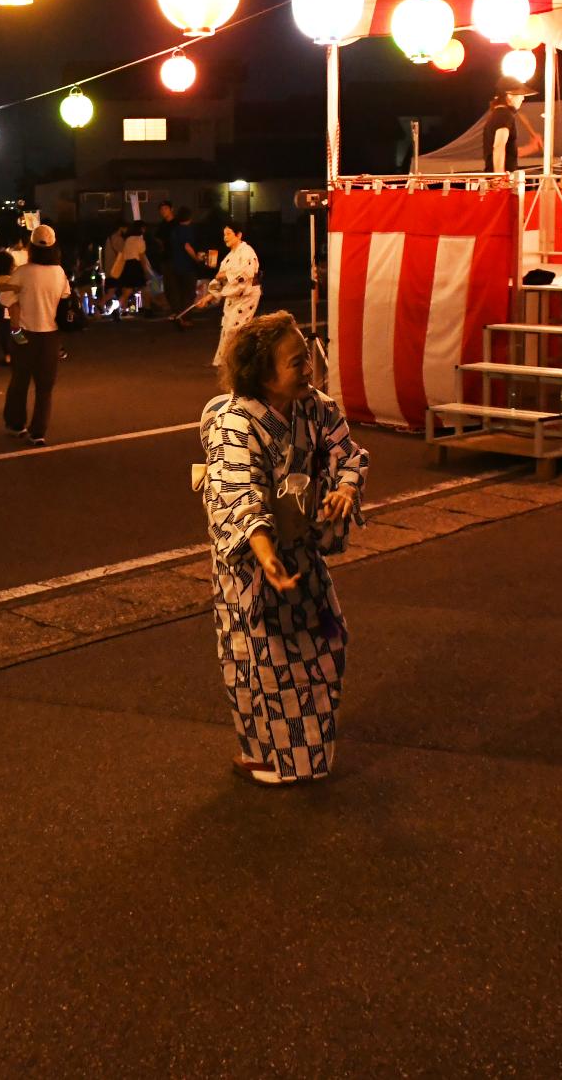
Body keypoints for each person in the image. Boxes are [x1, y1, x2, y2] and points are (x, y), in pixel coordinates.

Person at [198, 310, 369, 786]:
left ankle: (293, 756)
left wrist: (345, 490)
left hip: (301, 553)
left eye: (306, 358)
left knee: (324, 647)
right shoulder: (234, 422)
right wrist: (266, 553)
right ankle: (277, 761)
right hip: (253, 566)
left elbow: (348, 455)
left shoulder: (316, 407)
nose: (307, 370)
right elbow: (237, 490)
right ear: (263, 372)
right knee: (263, 662)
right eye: (296, 363)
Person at [3, 224, 71, 446]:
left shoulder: (23, 272)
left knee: (19, 381)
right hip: (50, 336)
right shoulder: (59, 272)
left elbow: (6, 299)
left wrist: (14, 329)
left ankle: (16, 424)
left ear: (31, 246)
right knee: (45, 387)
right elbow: (65, 297)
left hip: (24, 333)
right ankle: (38, 431)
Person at [195, 220, 263, 364]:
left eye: (228, 234)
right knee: (227, 327)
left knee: (235, 328)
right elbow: (221, 282)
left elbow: (246, 273)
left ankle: (238, 362)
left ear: (239, 235)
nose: (225, 237)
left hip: (247, 295)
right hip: (233, 297)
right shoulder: (228, 258)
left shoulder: (247, 251)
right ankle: (228, 362)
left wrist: (226, 275)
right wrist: (207, 298)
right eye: (224, 234)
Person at [479, 78, 542, 173]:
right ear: (509, 95)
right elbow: (499, 147)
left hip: (495, 177)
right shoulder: (504, 115)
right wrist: (499, 178)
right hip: (499, 180)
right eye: (520, 95)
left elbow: (508, 152)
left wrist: (532, 148)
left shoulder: (497, 114)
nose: (523, 98)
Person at [159, 201, 201, 327]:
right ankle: (185, 318)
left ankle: (179, 314)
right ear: (190, 217)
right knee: (188, 293)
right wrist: (196, 259)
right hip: (187, 266)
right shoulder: (188, 230)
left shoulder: (175, 230)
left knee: (178, 291)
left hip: (176, 265)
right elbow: (187, 246)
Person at [108, 221, 149, 316]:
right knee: (145, 288)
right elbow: (142, 256)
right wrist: (146, 270)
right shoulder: (140, 240)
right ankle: (148, 308)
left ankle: (117, 309)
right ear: (141, 229)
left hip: (127, 266)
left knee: (127, 290)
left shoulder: (128, 240)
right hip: (136, 265)